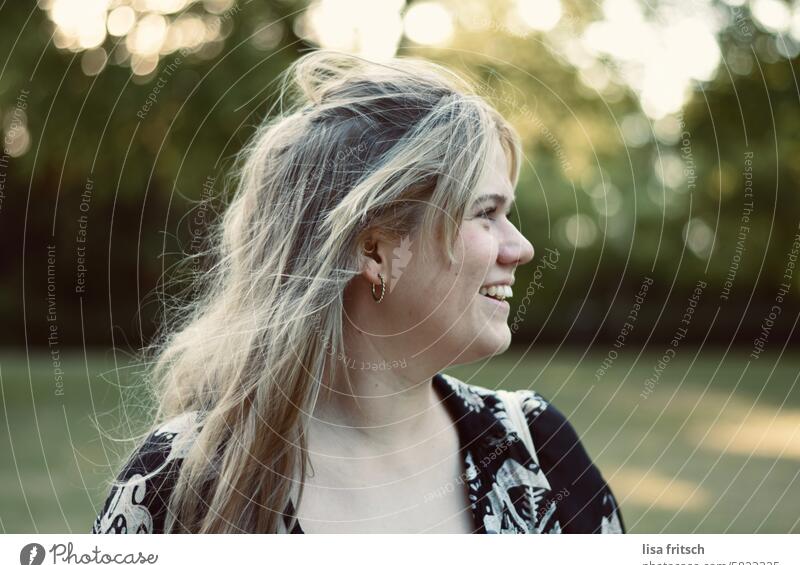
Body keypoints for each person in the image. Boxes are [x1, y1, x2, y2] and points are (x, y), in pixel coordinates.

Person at [91, 49, 625, 534]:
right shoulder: (181, 487)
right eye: (486, 214)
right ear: (375, 251)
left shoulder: (538, 450)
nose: (521, 247)